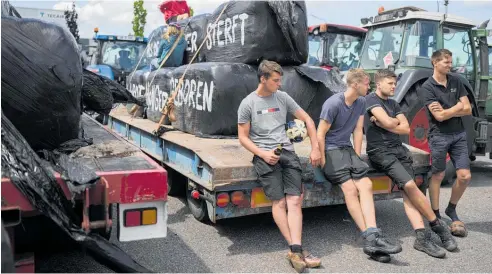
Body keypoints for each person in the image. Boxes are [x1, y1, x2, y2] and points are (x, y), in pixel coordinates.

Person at [237, 60, 322, 273]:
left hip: (287, 152)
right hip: (264, 155)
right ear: (262, 79)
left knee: (295, 200)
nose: (279, 84)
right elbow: (243, 137)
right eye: (275, 80)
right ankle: (297, 249)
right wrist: (263, 154)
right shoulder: (248, 104)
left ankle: (295, 250)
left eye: (280, 79)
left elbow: (308, 120)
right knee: (279, 202)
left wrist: (315, 148)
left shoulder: (282, 97)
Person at [365, 69, 458, 258]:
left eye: (394, 83)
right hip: (381, 151)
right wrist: (389, 123)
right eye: (390, 83)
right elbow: (390, 123)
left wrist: (386, 123)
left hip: (399, 150)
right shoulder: (370, 100)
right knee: (409, 185)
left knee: (410, 192)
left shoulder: (393, 103)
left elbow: (405, 127)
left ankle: (422, 238)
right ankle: (438, 227)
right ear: (379, 83)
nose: (394, 87)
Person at [316, 68, 402, 262]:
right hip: (331, 150)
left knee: (366, 184)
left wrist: (356, 154)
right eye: (366, 83)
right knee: (349, 189)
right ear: (355, 84)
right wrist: (321, 157)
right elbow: (320, 133)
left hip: (347, 150)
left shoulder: (361, 101)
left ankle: (373, 234)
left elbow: (357, 129)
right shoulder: (333, 103)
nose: (369, 87)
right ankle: (370, 238)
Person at [419, 49, 473, 237]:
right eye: (446, 62)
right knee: (438, 174)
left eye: (450, 62)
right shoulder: (427, 87)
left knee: (465, 176)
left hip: (458, 134)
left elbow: (467, 109)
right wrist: (457, 107)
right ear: (435, 63)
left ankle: (451, 209)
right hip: (439, 135)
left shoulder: (456, 81)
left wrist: (452, 109)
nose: (450, 65)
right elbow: (438, 117)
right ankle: (435, 212)